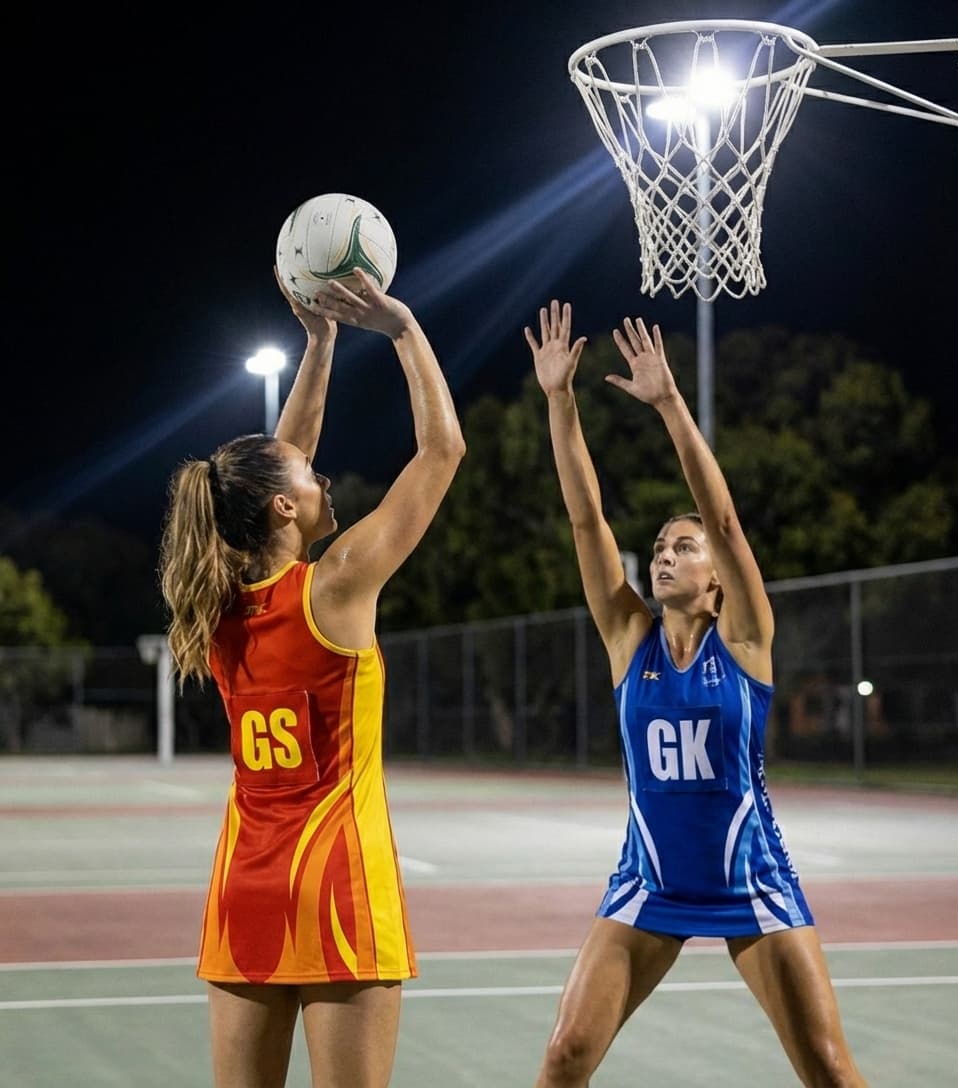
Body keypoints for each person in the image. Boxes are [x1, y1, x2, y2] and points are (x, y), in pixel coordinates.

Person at [524, 300, 867, 1087]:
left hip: (752, 881)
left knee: (826, 1066)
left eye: (684, 548)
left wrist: (670, 404)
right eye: (660, 548)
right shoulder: (629, 642)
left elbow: (725, 517)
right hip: (650, 881)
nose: (666, 555)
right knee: (565, 1055)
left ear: (716, 582)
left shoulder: (744, 640)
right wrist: (559, 400)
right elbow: (586, 522)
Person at [159, 267, 465, 1088]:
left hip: (245, 888)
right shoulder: (336, 584)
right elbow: (443, 451)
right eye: (309, 480)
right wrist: (400, 330)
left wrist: (319, 343)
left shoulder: (213, 605)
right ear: (284, 510)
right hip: (339, 886)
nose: (320, 476)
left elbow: (277, 461)